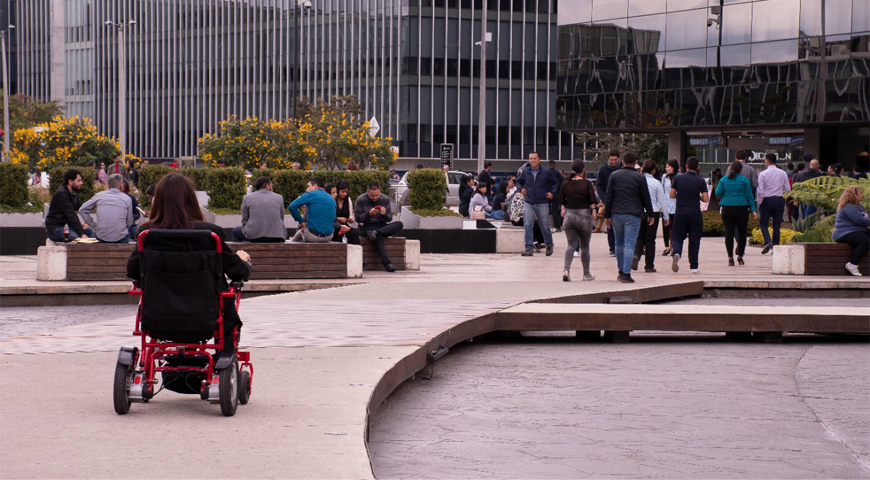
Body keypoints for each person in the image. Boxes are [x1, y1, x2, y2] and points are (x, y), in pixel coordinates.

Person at [126, 173, 252, 350]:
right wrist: (242, 260)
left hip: (158, 318)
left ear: (158, 200)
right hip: (206, 317)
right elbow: (237, 271)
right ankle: (225, 356)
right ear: (190, 200)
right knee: (228, 299)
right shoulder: (210, 234)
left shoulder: (147, 234)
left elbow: (133, 272)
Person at [604, 152, 654, 283]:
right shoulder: (639, 177)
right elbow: (645, 198)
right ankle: (626, 273)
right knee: (630, 245)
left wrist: (607, 215)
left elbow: (609, 197)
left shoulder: (614, 175)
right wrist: (650, 214)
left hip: (616, 214)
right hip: (633, 215)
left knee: (618, 244)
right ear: (636, 162)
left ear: (623, 162)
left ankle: (621, 271)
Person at [558, 159, 597, 282]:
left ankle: (566, 270)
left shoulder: (565, 183)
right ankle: (586, 274)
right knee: (585, 247)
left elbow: (561, 200)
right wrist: (594, 211)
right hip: (583, 216)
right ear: (583, 170)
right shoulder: (586, 183)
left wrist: (563, 208)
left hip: (569, 216)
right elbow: (592, 201)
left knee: (571, 245)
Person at [669, 156, 709, 274]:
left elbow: (672, 194)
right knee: (694, 239)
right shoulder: (700, 181)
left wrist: (680, 197)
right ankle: (694, 266)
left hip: (680, 212)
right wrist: (698, 197)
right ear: (697, 167)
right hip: (694, 213)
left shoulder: (678, 178)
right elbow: (706, 199)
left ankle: (676, 252)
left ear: (686, 166)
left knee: (677, 236)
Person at [355, 182, 404, 272]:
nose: (374, 197)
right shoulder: (361, 199)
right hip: (367, 227)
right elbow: (357, 219)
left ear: (380, 192)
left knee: (399, 224)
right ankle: (387, 264)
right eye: (372, 195)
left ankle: (377, 232)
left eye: (377, 195)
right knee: (376, 235)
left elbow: (389, 218)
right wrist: (368, 214)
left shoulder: (384, 199)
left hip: (381, 226)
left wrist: (385, 214)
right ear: (367, 192)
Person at [517, 151, 559, 257]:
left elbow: (556, 182)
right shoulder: (525, 172)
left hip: (542, 202)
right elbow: (518, 182)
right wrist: (521, 189)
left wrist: (552, 193)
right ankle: (528, 248)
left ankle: (549, 244)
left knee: (544, 225)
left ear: (539, 159)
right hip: (529, 202)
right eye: (530, 159)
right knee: (527, 224)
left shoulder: (546, 171)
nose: (532, 161)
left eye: (534, 158)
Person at [716, 161, 757, 266]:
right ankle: (740, 255)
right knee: (742, 233)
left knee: (729, 233)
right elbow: (750, 195)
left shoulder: (723, 180)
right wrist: (753, 210)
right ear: (740, 170)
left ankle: (730, 257)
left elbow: (718, 193)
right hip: (741, 208)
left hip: (727, 208)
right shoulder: (744, 180)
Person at [632, 160, 669, 273]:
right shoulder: (656, 183)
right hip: (653, 212)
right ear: (653, 170)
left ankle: (636, 255)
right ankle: (649, 265)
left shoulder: (637, 181)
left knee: (640, 237)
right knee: (650, 240)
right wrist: (666, 216)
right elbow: (662, 201)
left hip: (639, 212)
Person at [79, 174, 134, 243]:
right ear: (121, 185)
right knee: (127, 233)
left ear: (108, 186)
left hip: (101, 237)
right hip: (121, 237)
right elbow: (129, 222)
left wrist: (94, 225)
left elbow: (82, 210)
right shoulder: (127, 199)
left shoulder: (99, 195)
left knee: (93, 234)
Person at [44, 168, 96, 242]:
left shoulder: (72, 193)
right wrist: (82, 233)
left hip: (68, 226)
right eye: (79, 180)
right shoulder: (62, 193)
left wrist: (86, 223)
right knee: (77, 239)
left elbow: (82, 208)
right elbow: (71, 215)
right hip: (56, 228)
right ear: (70, 182)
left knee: (92, 232)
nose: (81, 183)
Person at [232, 176, 287, 243]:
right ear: (267, 186)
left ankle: (239, 253)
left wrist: (246, 228)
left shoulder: (247, 198)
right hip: (277, 236)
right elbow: (281, 218)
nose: (272, 187)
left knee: (235, 231)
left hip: (254, 236)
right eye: (271, 185)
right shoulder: (279, 197)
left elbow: (244, 219)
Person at [757, 153, 791, 254]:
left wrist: (760, 202)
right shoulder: (783, 173)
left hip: (767, 200)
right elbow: (788, 188)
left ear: (767, 161)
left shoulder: (763, 174)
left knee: (763, 223)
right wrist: (782, 196)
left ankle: (768, 241)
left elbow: (760, 190)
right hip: (779, 200)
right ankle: (775, 247)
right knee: (776, 225)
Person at [832, 185, 870, 276]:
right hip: (844, 233)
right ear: (854, 195)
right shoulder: (848, 207)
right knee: (865, 242)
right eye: (860, 193)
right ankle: (852, 264)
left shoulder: (859, 206)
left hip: (857, 231)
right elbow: (860, 220)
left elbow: (865, 218)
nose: (862, 194)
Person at [288, 177, 336, 243]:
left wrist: (301, 222)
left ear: (315, 186)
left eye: (308, 186)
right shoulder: (331, 198)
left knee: (298, 235)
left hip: (312, 236)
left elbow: (291, 207)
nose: (306, 189)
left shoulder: (311, 194)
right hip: (329, 236)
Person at [596, 150, 621, 256]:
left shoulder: (622, 168)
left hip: (620, 200)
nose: (613, 162)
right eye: (611, 160)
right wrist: (604, 199)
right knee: (609, 224)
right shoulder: (603, 169)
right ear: (608, 159)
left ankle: (620, 246)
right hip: (608, 200)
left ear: (619, 159)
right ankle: (612, 248)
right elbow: (599, 185)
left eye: (615, 160)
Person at [661, 159, 679, 256]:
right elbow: (662, 190)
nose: (667, 169)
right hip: (666, 205)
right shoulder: (664, 177)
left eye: (669, 167)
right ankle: (667, 246)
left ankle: (674, 246)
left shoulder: (679, 177)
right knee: (666, 227)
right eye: (666, 167)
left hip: (677, 205)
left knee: (675, 227)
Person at [334, 180, 361, 244]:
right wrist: (338, 219)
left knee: (354, 232)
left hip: (345, 225)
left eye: (346, 192)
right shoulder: (333, 200)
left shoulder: (348, 200)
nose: (344, 194)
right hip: (334, 225)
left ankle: (356, 251)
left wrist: (350, 219)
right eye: (342, 192)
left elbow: (350, 215)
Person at [548, 160, 564, 232]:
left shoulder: (546, 172)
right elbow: (561, 184)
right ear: (555, 165)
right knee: (555, 211)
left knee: (545, 210)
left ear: (548, 165)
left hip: (547, 194)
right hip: (555, 194)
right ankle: (557, 226)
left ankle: (545, 225)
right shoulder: (557, 173)